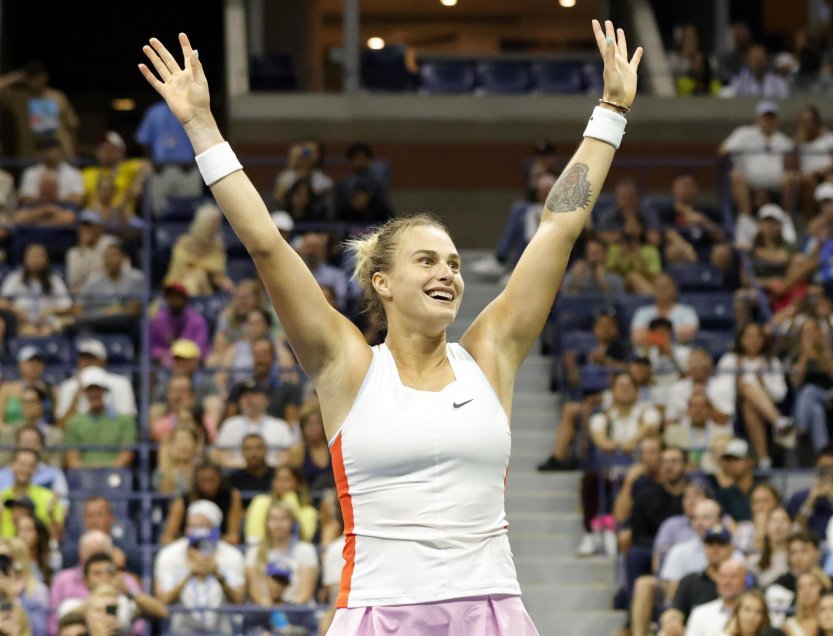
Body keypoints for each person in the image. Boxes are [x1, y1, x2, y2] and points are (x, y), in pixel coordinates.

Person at [139, 21, 641, 632]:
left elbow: (559, 227)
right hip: (378, 613)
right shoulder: (344, 365)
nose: (449, 274)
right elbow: (267, 245)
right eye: (427, 260)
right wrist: (200, 127)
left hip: (490, 611)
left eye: (454, 263)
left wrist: (610, 112)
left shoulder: (490, 353)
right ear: (383, 282)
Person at [153, 500, 245, 635]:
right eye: (192, 527)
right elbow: (162, 601)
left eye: (202, 527)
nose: (197, 533)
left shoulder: (232, 556)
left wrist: (217, 575)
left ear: (214, 530)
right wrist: (189, 574)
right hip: (181, 632)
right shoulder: (169, 555)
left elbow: (239, 600)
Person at [245, 500, 319, 606]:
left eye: (283, 519)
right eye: (273, 519)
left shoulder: (306, 550)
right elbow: (255, 592)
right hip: (264, 610)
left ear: (293, 523)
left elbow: (305, 594)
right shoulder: (254, 552)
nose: (278, 524)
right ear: (267, 523)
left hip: (297, 610)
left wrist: (284, 611)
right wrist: (274, 613)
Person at [64, 367, 137, 469]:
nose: (94, 394)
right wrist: (87, 473)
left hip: (115, 475)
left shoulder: (125, 421)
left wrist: (108, 472)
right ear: (85, 393)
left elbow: (127, 453)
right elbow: (72, 457)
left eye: (98, 389)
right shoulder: (74, 423)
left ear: (104, 391)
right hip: (83, 477)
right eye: (90, 390)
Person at [160, 462, 243, 546]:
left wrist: (210, 540)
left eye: (211, 479)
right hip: (188, 548)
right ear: (196, 481)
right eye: (202, 480)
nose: (207, 485)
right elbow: (167, 538)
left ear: (220, 479)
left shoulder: (231, 496)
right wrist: (187, 544)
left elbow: (233, 537)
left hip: (220, 548)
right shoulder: (183, 500)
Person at [164, 201, 232, 296]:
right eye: (214, 223)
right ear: (204, 224)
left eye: (218, 223)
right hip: (180, 285)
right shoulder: (183, 243)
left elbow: (218, 274)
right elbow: (178, 272)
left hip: (207, 287)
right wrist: (199, 272)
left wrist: (223, 281)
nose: (217, 227)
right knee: (197, 279)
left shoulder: (218, 246)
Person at [148, 282, 210, 366]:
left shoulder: (197, 321)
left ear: (185, 299)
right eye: (170, 297)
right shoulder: (159, 320)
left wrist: (181, 357)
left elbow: (200, 349)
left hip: (190, 364)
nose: (173, 300)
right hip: (164, 366)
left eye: (177, 297)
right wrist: (166, 356)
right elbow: (152, 348)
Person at [683, 559, 748, 635]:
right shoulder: (700, 614)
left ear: (744, 581)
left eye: (733, 576)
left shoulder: (756, 613)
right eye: (723, 576)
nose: (727, 582)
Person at [788, 448, 833, 546]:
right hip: (808, 553)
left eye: (832, 468)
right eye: (824, 468)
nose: (829, 473)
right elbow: (796, 531)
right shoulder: (799, 497)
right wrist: (811, 498)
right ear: (816, 468)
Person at [227, 433, 275, 506]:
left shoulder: (276, 476)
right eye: (247, 449)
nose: (253, 453)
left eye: (258, 448)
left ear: (266, 450)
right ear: (242, 452)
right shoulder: (233, 479)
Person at [782, 568, 831, 636]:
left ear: (822, 587)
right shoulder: (790, 625)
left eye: (812, 585)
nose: (806, 591)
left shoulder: (830, 620)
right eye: (801, 587)